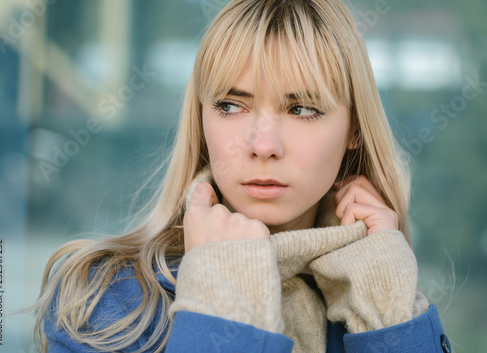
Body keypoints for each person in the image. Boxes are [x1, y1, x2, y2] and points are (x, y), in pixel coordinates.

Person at [33, 0, 452, 352]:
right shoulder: (103, 301)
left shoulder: (381, 290)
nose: (263, 145)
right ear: (202, 120)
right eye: (232, 106)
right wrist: (223, 304)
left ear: (354, 130)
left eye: (302, 108)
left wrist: (386, 307)